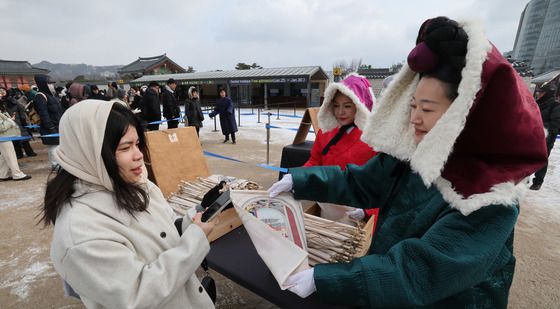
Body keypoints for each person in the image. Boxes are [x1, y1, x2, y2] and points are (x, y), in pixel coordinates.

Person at [269, 17, 548, 307]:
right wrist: (300, 181)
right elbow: (361, 182)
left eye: (426, 108)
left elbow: (420, 272)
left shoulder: (488, 195)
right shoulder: (415, 155)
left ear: (466, 113)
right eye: (412, 105)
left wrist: (328, 279)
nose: (414, 117)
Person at [41, 100, 216, 308]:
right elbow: (137, 296)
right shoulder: (80, 232)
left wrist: (191, 224)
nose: (139, 155)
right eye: (126, 147)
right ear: (89, 150)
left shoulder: (136, 183)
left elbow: (165, 230)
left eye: (137, 144)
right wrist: (194, 242)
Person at [303, 74, 377, 224]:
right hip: (328, 206)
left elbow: (384, 181)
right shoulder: (326, 131)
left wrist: (368, 210)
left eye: (347, 106)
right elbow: (315, 161)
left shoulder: (375, 139)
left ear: (359, 104)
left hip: (358, 209)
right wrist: (296, 177)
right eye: (336, 105)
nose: (340, 112)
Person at [530, 83, 560, 190]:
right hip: (532, 136)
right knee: (527, 157)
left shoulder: (555, 106)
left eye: (542, 92)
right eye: (539, 92)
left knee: (542, 160)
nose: (539, 95)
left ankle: (537, 182)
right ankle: (524, 178)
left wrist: (542, 130)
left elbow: (555, 124)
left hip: (545, 139)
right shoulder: (536, 104)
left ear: (548, 94)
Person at [33, 74, 63, 169]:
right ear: (43, 84)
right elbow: (43, 114)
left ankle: (60, 163)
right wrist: (51, 128)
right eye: (49, 83)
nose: (52, 85)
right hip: (49, 127)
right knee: (53, 147)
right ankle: (55, 165)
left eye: (52, 83)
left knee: (59, 146)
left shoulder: (51, 96)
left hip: (58, 125)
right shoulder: (40, 96)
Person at [0, 100, 32, 181]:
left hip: (5, 137)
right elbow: (2, 127)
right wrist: (10, 121)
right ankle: (17, 174)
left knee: (4, 157)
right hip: (3, 138)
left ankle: (2, 174)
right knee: (11, 156)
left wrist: (10, 119)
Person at [1, 87, 36, 158]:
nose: (2, 92)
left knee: (23, 137)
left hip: (18, 120)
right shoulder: (1, 102)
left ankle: (29, 152)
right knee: (13, 138)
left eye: (3, 90)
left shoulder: (13, 100)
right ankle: (19, 153)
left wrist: (23, 119)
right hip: (8, 122)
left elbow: (21, 109)